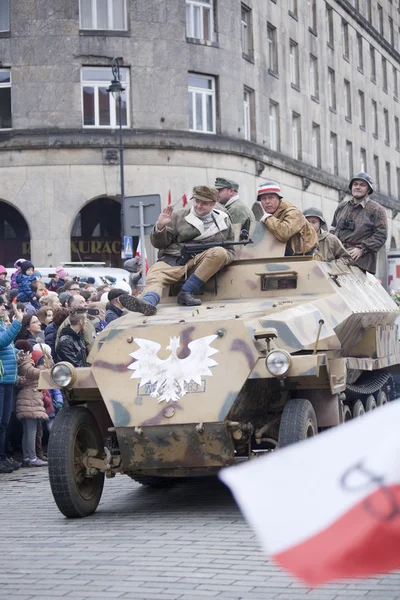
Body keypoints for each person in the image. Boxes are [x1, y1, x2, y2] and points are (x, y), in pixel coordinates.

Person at [121, 186, 235, 315]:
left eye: (204, 203)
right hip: (173, 260)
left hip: (201, 264)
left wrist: (217, 261)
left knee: (219, 252)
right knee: (155, 274)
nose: (198, 205)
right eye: (196, 201)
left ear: (213, 204)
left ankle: (187, 291)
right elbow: (160, 243)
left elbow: (230, 250)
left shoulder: (223, 221)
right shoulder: (179, 216)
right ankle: (148, 302)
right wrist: (160, 227)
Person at [331, 172, 387, 274]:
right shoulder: (342, 207)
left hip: (360, 261)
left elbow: (381, 236)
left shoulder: (377, 210)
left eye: (362, 185)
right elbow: (333, 229)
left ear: (368, 189)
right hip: (337, 257)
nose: (358, 187)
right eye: (355, 184)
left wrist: (362, 249)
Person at [257, 181, 318, 256]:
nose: (267, 202)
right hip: (285, 256)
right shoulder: (271, 216)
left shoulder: (293, 212)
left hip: (305, 257)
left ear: (279, 199)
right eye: (263, 199)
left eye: (271, 198)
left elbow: (284, 233)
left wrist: (268, 218)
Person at [14, 341, 48, 467]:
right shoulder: (24, 365)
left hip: (28, 401)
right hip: (29, 401)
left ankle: (28, 457)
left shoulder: (23, 364)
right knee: (31, 431)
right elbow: (37, 373)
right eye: (29, 352)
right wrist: (48, 367)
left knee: (28, 431)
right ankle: (32, 457)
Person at [0, 301, 23, 474]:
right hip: (1, 381)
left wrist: (17, 353)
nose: (3, 308)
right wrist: (17, 322)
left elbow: (7, 347)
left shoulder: (1, 325)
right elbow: (2, 342)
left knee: (4, 422)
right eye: (0, 306)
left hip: (7, 380)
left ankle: (3, 456)